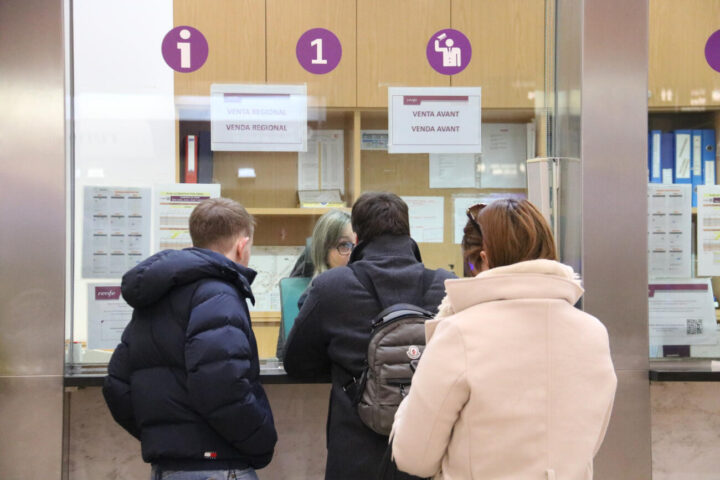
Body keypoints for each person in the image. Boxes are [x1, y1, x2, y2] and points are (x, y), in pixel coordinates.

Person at [390, 198, 617, 480]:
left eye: (472, 264)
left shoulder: (460, 332)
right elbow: (590, 443)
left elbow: (414, 457)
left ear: (485, 259)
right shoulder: (593, 333)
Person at [283, 191, 456, 480]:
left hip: (355, 456)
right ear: (408, 232)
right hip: (426, 456)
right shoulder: (446, 286)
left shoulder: (331, 287)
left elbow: (296, 362)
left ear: (357, 237)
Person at [103, 198, 277, 480]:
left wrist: (165, 436)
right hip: (218, 467)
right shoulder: (219, 294)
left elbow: (117, 385)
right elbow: (223, 385)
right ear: (242, 245)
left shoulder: (157, 294)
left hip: (167, 468)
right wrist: (261, 443)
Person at [276, 209, 355, 356]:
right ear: (324, 250)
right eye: (344, 245)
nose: (353, 253)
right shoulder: (312, 297)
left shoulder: (364, 289)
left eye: (357, 244)